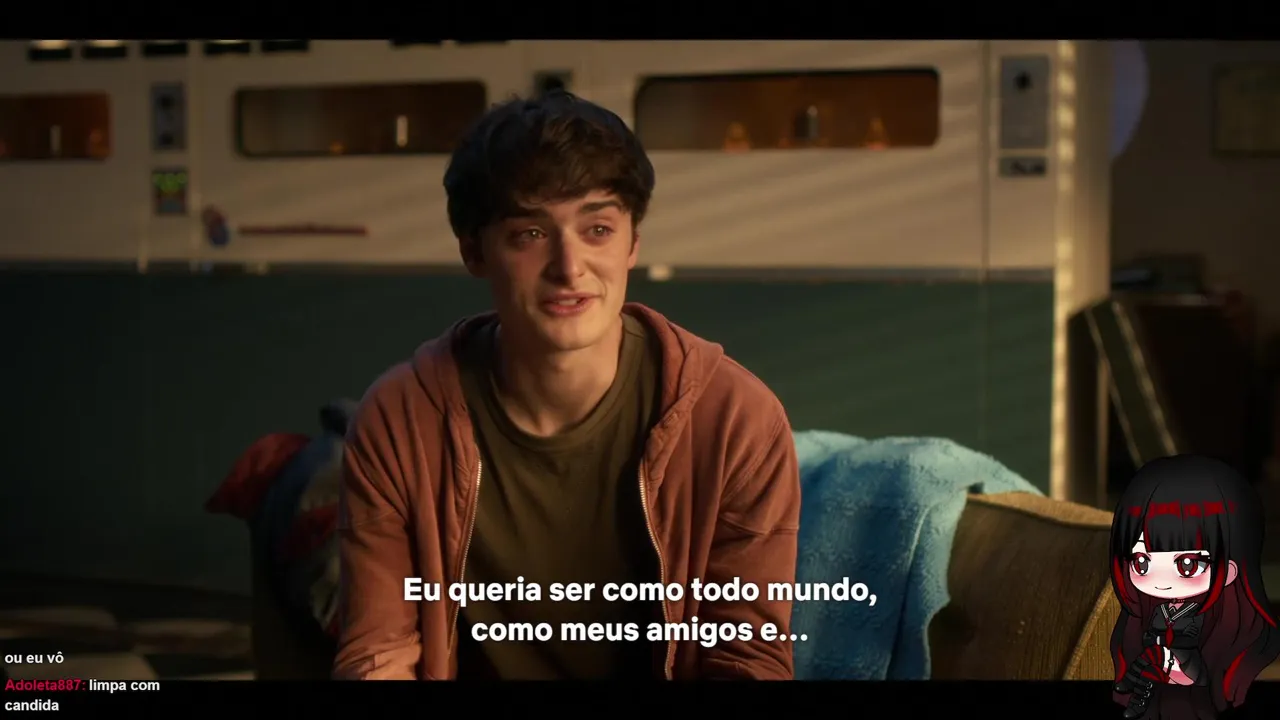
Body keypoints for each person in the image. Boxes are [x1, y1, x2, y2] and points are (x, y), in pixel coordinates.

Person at [332, 90, 801, 680]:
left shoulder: (736, 418)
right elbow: (379, 654)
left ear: (632, 244)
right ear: (475, 251)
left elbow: (746, 658)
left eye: (598, 229)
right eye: (530, 234)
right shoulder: (399, 419)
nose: (569, 267)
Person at [1109, 455, 1280, 719]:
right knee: (1151, 662)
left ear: (1230, 571)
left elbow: (1186, 639)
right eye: (1142, 563)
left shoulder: (1212, 617)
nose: (1161, 582)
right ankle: (1135, 693)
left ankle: (1135, 688)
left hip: (1190, 666)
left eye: (1187, 564)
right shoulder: (1153, 611)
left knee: (1154, 659)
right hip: (1164, 665)